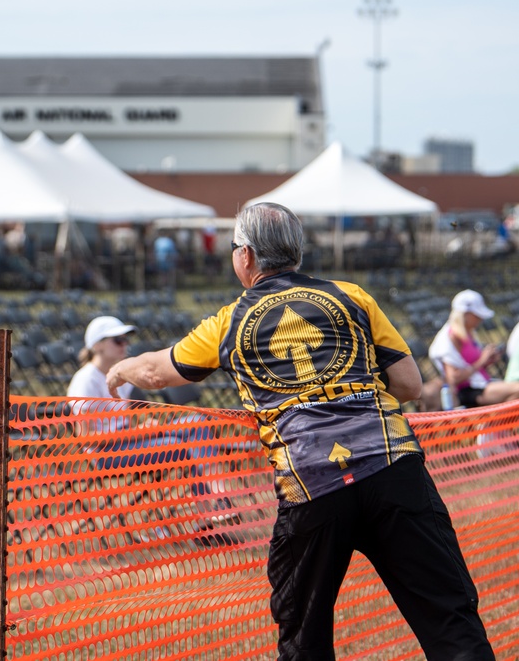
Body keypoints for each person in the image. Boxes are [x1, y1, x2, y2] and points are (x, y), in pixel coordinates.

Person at [105, 202, 494, 660]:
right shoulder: (352, 296)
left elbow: (155, 372)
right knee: (451, 621)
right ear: (297, 254)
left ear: (245, 256)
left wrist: (119, 370)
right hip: (392, 467)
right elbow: (409, 383)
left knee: (303, 638)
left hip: (313, 483)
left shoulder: (229, 321)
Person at [428, 289, 519, 407]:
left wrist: (487, 361)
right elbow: (453, 378)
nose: (480, 319)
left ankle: (500, 423)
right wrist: (482, 360)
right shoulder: (450, 337)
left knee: (514, 398)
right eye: (477, 315)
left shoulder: (467, 333)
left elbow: (471, 364)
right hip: (469, 391)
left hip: (481, 384)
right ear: (466, 314)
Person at [67, 316, 136, 401]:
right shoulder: (87, 379)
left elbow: (126, 413)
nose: (124, 344)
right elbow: (86, 414)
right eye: (118, 340)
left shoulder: (121, 375)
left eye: (125, 339)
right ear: (97, 345)